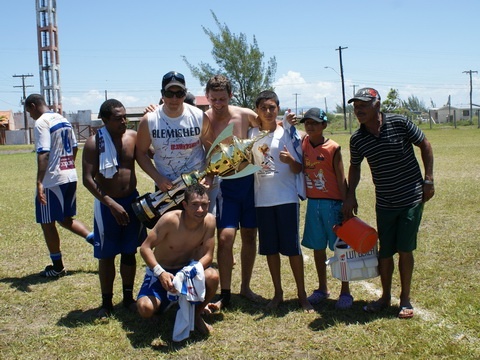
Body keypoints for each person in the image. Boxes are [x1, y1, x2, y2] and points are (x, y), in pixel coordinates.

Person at [343, 88, 435, 319]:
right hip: (384, 201)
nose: (358, 110)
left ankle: (404, 298)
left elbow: (425, 144)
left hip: (411, 197)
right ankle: (385, 297)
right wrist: (350, 194)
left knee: (405, 249)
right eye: (355, 106)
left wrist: (429, 179)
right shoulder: (358, 138)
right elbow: (355, 166)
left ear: (377, 104)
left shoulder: (399, 123)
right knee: (385, 252)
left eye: (363, 105)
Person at [249, 90, 313, 312]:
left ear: (278, 109)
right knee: (270, 250)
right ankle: (278, 293)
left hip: (286, 199)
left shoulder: (287, 133)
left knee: (293, 249)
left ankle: (302, 295)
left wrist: (291, 159)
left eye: (272, 107)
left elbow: (299, 168)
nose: (268, 111)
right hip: (262, 200)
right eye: (263, 107)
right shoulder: (251, 134)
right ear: (256, 110)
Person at [82, 99, 146, 318]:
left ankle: (128, 298)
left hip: (131, 201)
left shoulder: (132, 137)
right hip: (107, 206)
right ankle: (106, 303)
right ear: (105, 119)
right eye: (118, 118)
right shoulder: (94, 143)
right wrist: (110, 203)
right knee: (107, 255)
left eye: (124, 116)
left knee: (130, 251)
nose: (123, 121)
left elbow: (150, 155)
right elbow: (87, 179)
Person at [204, 75, 261, 308]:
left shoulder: (245, 114)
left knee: (249, 235)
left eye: (222, 99)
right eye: (214, 98)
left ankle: (245, 287)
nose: (218, 103)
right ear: (207, 96)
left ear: (231, 96)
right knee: (225, 238)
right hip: (225, 188)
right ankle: (225, 293)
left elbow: (269, 125)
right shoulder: (203, 119)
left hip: (250, 185)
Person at [136, 183, 219, 336]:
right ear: (184, 205)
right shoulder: (170, 220)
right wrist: (161, 273)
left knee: (213, 276)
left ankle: (195, 315)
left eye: (204, 205)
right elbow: (145, 248)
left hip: (187, 270)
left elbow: (208, 255)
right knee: (145, 309)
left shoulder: (210, 221)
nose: (200, 210)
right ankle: (167, 303)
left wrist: (189, 272)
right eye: (194, 205)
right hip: (162, 272)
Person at [26, 93, 93, 278]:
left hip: (53, 180)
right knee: (65, 219)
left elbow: (44, 153)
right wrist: (68, 164)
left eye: (29, 112)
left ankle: (57, 267)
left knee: (47, 223)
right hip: (69, 175)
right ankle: (97, 241)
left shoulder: (41, 122)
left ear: (33, 106)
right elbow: (75, 146)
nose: (31, 116)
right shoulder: (63, 119)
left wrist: (39, 181)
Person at [296, 107, 352, 310]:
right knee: (318, 248)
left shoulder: (333, 148)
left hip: (333, 204)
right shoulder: (303, 143)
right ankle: (322, 288)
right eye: (307, 123)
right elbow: (293, 132)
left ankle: (345, 291)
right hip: (314, 203)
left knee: (340, 250)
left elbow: (340, 177)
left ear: (324, 125)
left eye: (314, 123)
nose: (310, 126)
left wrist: (346, 204)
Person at [135, 71, 211, 213]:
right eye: (170, 93)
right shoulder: (150, 120)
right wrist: (158, 178)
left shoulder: (199, 117)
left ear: (185, 93)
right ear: (162, 94)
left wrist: (209, 177)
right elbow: (140, 153)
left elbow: (212, 150)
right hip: (167, 188)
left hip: (196, 185)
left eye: (179, 93)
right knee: (171, 231)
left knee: (199, 232)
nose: (174, 99)